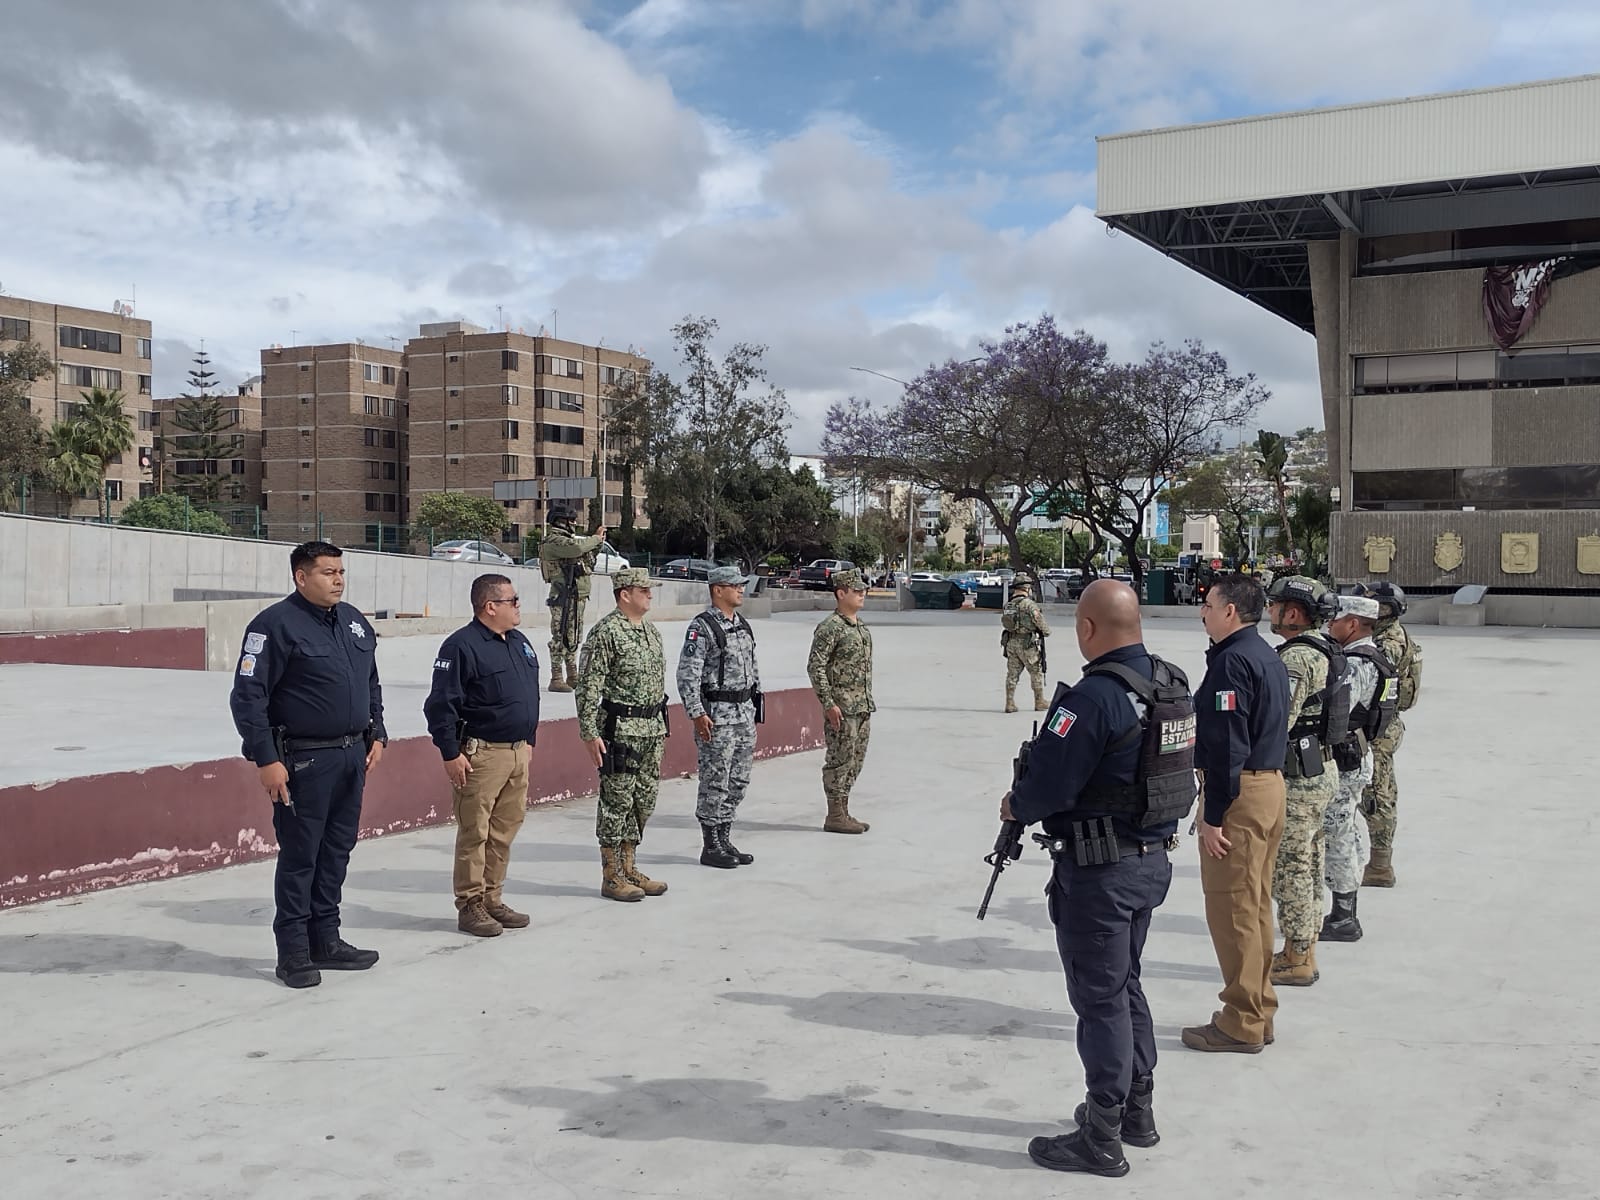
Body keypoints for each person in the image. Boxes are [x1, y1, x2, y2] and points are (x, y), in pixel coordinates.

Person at [1002, 581, 1196, 1178]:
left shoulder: (1091, 699)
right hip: (1150, 862)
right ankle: (1138, 1111)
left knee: (1101, 999)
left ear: (1086, 628)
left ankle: (1102, 1133)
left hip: (1099, 873)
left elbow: (1047, 789)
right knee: (1127, 985)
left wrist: (1015, 804)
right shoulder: (1172, 683)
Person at [229, 541, 387, 989]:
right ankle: (294, 953)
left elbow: (370, 681)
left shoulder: (354, 622)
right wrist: (266, 759)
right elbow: (248, 697)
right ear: (301, 577)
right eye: (327, 572)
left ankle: (326, 940)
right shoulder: (274, 626)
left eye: (341, 571)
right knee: (301, 858)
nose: (338, 579)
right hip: (303, 760)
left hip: (352, 756)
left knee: (336, 853)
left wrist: (378, 730)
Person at [1183, 573, 1289, 1052]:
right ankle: (1258, 1009)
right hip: (1268, 787)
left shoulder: (1232, 663)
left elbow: (1228, 745)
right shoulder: (1266, 655)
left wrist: (1213, 816)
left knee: (1233, 910)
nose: (1202, 612)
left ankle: (1241, 1019)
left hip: (1240, 793)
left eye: (1208, 604)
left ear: (1230, 611)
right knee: (1254, 905)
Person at [423, 574, 542, 938]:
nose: (519, 606)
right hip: (481, 754)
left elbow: (529, 696)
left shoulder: (519, 642)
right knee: (475, 832)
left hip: (517, 752)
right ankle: (470, 904)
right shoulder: (461, 646)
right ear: (490, 606)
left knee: (504, 831)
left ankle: (493, 897)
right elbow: (441, 706)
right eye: (513, 600)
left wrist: (529, 740)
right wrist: (449, 753)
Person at [1262, 576, 1347, 988]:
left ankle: (1297, 955)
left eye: (1275, 605)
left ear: (1292, 613)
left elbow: (1281, 721)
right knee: (1311, 861)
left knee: (1291, 866)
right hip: (1321, 770)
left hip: (1299, 778)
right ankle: (1305, 946)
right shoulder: (1327, 648)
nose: (1270, 611)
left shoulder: (1296, 658)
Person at [574, 567, 669, 902]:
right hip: (621, 732)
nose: (649, 594)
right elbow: (588, 686)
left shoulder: (651, 632)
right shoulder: (606, 633)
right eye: (643, 590)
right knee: (616, 803)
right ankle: (611, 874)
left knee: (644, 801)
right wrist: (588, 731)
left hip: (652, 729)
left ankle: (630, 866)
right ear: (624, 594)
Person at [677, 566, 763, 869]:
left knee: (738, 780)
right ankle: (710, 844)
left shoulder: (743, 625)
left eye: (741, 585)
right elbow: (687, 675)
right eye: (735, 586)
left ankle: (725, 838)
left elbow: (752, 668)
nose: (741, 590)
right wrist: (697, 713)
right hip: (717, 717)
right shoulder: (702, 628)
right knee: (715, 780)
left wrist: (756, 703)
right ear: (717, 590)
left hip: (742, 715)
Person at [1323, 594, 1395, 942]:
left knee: (1337, 834)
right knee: (1345, 831)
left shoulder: (1355, 663)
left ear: (1352, 624)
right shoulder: (1378, 657)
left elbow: (1337, 712)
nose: (1328, 625)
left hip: (1344, 760)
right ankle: (1343, 909)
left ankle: (1343, 917)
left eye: (1335, 620)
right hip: (1358, 754)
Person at [1359, 582, 1422, 887]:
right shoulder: (1384, 636)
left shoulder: (1388, 643)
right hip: (1382, 724)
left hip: (1378, 730)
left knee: (1377, 795)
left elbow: (1367, 679)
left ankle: (1380, 866)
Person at [806, 569, 875, 834]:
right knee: (839, 759)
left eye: (862, 590)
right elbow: (816, 667)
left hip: (862, 705)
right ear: (840, 593)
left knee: (855, 760)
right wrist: (828, 703)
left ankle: (844, 811)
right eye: (856, 590)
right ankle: (834, 814)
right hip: (842, 707)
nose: (862, 594)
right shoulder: (830, 628)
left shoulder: (860, 627)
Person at [538, 504, 607, 693]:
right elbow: (577, 548)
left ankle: (572, 674)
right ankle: (556, 677)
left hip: (576, 596)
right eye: (572, 520)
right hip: (562, 596)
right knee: (559, 636)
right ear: (561, 521)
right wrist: (595, 538)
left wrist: (598, 543)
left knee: (574, 636)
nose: (575, 524)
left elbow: (586, 555)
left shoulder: (567, 542)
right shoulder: (554, 541)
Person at [1001, 576, 1052, 713]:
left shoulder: (1009, 605)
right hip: (1027, 644)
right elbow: (1041, 624)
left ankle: (1009, 703)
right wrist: (1046, 632)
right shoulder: (1029, 605)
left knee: (1012, 674)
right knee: (1035, 671)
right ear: (1026, 588)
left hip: (1011, 642)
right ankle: (1039, 701)